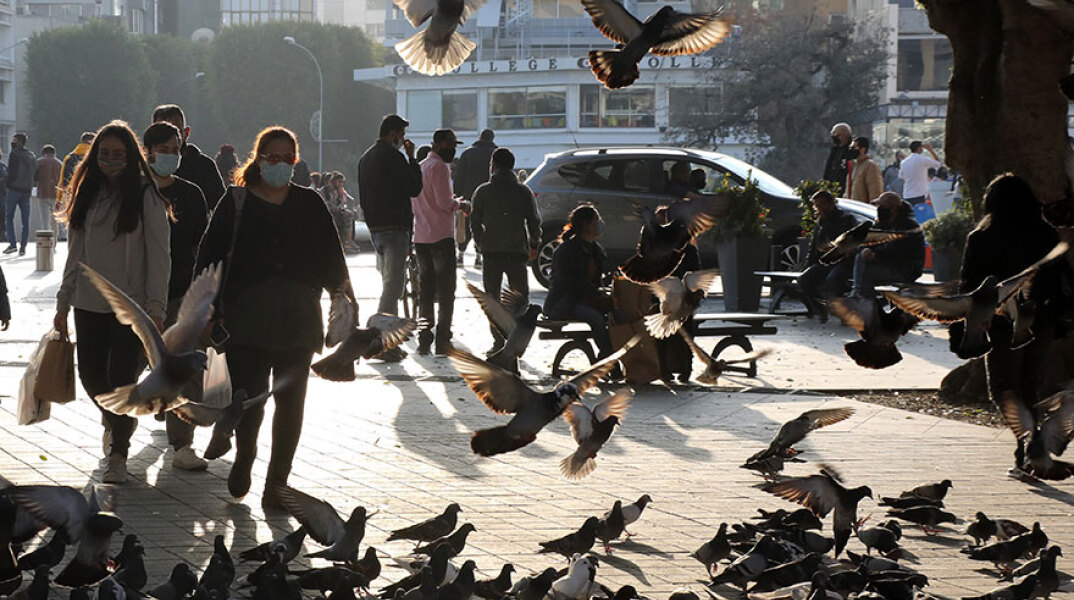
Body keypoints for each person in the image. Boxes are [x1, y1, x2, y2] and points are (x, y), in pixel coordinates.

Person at [195, 126, 350, 507]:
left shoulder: (309, 203)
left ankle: (277, 484)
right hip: (246, 319)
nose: (279, 164)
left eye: (286, 158)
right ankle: (245, 457)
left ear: (295, 162)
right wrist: (206, 308)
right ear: (258, 159)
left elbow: (332, 254)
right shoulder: (236, 202)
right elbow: (209, 256)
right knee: (250, 400)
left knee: (291, 403)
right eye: (272, 157)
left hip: (299, 320)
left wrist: (343, 297)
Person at [53, 120, 171, 484]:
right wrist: (63, 302)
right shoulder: (85, 192)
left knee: (122, 378)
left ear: (132, 156)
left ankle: (117, 453)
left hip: (131, 308)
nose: (111, 160)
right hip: (88, 304)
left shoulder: (146, 196)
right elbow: (74, 252)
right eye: (105, 154)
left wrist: (156, 306)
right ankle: (117, 420)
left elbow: (160, 254)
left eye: (119, 154)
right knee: (92, 377)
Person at [958, 174, 1063, 476]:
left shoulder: (981, 239)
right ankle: (1034, 445)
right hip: (1041, 319)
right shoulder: (1047, 235)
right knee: (1031, 383)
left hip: (1001, 322)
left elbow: (970, 287)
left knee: (1004, 387)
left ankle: (1025, 445)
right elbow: (1059, 279)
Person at [142, 121, 210, 472]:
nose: (170, 155)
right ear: (147, 151)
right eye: (163, 149)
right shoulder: (134, 192)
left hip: (181, 295)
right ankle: (117, 440)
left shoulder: (191, 194)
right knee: (127, 369)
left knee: (184, 370)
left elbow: (203, 245)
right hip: (138, 297)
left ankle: (182, 444)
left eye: (175, 149)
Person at [469, 147, 542, 354]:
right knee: (519, 299)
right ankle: (516, 339)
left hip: (491, 252)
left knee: (492, 300)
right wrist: (534, 244)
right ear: (512, 165)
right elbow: (534, 221)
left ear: (493, 165)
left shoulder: (482, 191)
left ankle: (498, 340)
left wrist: (479, 242)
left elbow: (474, 222)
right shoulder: (523, 191)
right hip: (517, 252)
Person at [357, 115, 423, 335]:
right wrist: (412, 158)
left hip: (375, 229)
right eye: (401, 135)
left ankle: (387, 336)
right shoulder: (394, 157)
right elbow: (414, 187)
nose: (402, 139)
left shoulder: (365, 158)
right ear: (393, 133)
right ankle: (380, 337)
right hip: (395, 228)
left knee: (389, 283)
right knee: (392, 287)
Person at [411, 129, 467, 356]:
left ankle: (425, 338)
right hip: (440, 237)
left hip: (421, 236)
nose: (453, 150)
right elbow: (445, 203)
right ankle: (443, 339)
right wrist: (461, 205)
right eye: (451, 145)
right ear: (439, 145)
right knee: (446, 291)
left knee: (426, 291)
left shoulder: (421, 166)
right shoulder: (440, 168)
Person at [543, 205, 617, 361]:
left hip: (585, 299)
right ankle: (609, 361)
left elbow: (597, 280)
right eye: (596, 221)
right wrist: (595, 294)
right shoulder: (567, 250)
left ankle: (615, 357)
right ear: (586, 225)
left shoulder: (596, 250)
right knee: (596, 318)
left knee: (619, 313)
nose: (600, 224)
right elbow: (567, 283)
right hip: (565, 302)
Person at [849, 192, 925, 296]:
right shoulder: (881, 224)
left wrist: (874, 253)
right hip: (887, 264)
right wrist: (865, 249)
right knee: (857, 262)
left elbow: (897, 250)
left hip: (905, 269)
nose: (879, 209)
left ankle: (860, 296)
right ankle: (861, 296)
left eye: (882, 206)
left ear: (893, 209)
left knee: (865, 270)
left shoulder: (908, 226)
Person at [152, 104, 226, 210]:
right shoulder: (142, 169)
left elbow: (220, 210)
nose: (170, 137)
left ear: (186, 133)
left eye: (175, 131)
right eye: (162, 132)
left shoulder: (204, 167)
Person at [798, 190, 858, 312]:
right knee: (803, 279)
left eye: (822, 204)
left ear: (831, 204)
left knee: (834, 278)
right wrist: (808, 266)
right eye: (817, 206)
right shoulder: (820, 222)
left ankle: (844, 309)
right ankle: (819, 307)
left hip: (843, 261)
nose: (820, 209)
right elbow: (814, 246)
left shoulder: (846, 219)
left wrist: (824, 226)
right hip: (825, 262)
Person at [453, 129, 497, 267]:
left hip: (468, 195)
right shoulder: (496, 153)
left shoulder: (468, 153)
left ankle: (460, 254)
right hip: (489, 197)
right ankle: (479, 256)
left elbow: (460, 176)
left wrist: (457, 194)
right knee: (484, 226)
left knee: (465, 226)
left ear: (479, 137)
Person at [5, 133, 37, 255]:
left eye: (14, 140)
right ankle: (23, 247)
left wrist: (8, 185)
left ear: (18, 141)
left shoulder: (14, 154)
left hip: (14, 189)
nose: (12, 141)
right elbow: (35, 173)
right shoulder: (31, 155)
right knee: (25, 220)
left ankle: (13, 244)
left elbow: (12, 172)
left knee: (9, 218)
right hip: (26, 190)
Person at [898, 141, 942, 206]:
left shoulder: (903, 162)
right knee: (920, 215)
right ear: (919, 148)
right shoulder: (922, 159)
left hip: (907, 194)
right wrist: (931, 150)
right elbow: (939, 164)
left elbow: (901, 177)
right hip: (920, 194)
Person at [324, 172, 358, 253]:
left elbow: (349, 201)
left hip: (337, 211)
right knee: (343, 216)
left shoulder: (338, 191)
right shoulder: (325, 191)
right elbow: (328, 205)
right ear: (334, 181)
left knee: (350, 214)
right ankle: (345, 242)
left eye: (342, 182)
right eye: (339, 182)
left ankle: (348, 240)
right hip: (328, 212)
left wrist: (343, 196)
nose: (341, 184)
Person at [845, 137, 883, 204]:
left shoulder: (870, 166)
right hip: (853, 208)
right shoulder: (854, 166)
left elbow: (875, 191)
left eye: (854, 147)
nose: (851, 150)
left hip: (863, 210)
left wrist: (873, 209)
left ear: (862, 150)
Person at [34, 145, 63, 235]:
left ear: (44, 152)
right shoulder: (59, 163)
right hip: (56, 194)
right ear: (54, 153)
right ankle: (54, 243)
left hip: (43, 193)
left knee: (45, 220)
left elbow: (35, 177)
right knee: (55, 220)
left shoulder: (39, 162)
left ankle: (47, 241)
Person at [823, 123, 854, 190]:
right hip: (830, 188)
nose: (833, 136)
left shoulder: (850, 152)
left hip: (843, 189)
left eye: (835, 133)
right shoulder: (834, 151)